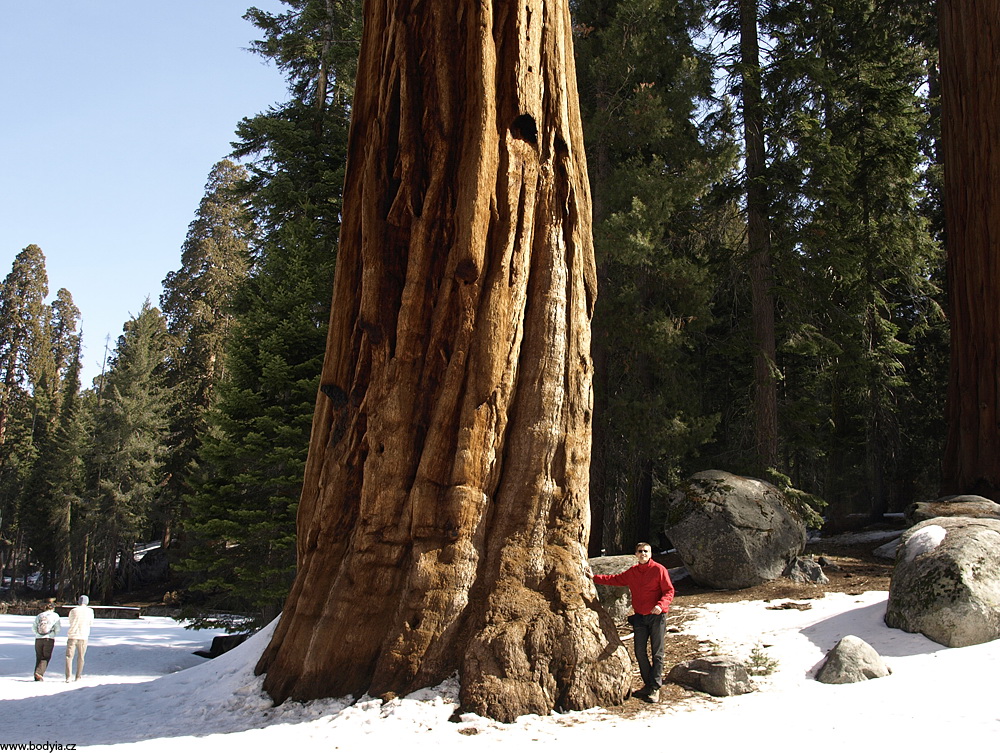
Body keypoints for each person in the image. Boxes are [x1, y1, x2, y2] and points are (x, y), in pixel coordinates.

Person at [589, 542, 674, 703]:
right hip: (640, 617)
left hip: (657, 616)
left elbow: (669, 591)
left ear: (650, 554)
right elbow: (615, 579)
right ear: (636, 554)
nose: (643, 554)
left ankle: (655, 688)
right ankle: (648, 684)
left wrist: (660, 605)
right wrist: (593, 577)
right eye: (640, 551)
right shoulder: (633, 572)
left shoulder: (659, 570)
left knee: (657, 653)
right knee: (639, 651)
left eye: (646, 551)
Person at [65, 594, 95, 682]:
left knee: (69, 657)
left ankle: (68, 676)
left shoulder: (73, 610)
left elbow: (70, 621)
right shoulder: (90, 611)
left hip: (72, 635)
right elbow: (91, 623)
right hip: (83, 636)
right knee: (81, 657)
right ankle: (78, 676)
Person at [32, 598, 61, 681]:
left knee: (39, 656)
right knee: (46, 657)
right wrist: (53, 634)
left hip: (38, 639)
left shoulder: (40, 615)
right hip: (49, 638)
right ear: (53, 608)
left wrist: (38, 634)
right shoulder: (55, 616)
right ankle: (39, 674)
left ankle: (37, 675)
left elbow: (34, 627)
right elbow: (57, 628)